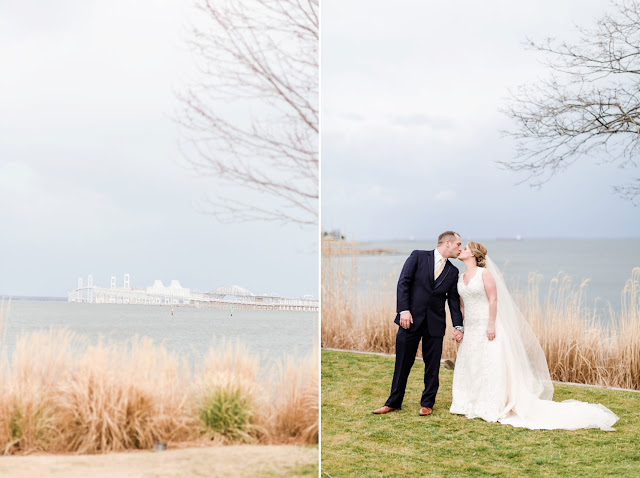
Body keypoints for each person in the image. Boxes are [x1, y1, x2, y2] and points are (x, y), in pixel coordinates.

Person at [450, 242, 619, 431]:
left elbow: (493, 299)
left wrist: (490, 324)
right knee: (473, 362)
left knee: (490, 362)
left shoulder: (485, 274)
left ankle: (490, 404)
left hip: (486, 324)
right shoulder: (461, 277)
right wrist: (460, 328)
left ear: (473, 254)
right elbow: (463, 306)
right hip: (471, 327)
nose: (461, 250)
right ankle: (469, 402)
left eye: (464, 248)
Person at [373, 231, 464, 416]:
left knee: (432, 367)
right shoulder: (418, 256)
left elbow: (453, 301)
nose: (460, 249)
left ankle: (427, 403)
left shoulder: (453, 271)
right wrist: (403, 310)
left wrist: (458, 326)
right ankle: (393, 402)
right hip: (410, 320)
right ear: (447, 243)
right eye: (458, 245)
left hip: (435, 324)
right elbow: (403, 283)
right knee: (402, 364)